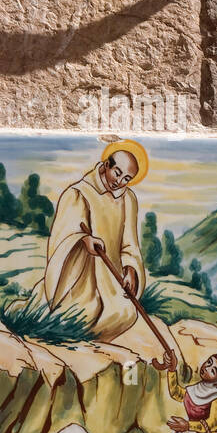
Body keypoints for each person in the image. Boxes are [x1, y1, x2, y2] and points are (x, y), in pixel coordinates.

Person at [41, 144, 147, 341]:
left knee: (126, 313)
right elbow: (62, 239)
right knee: (84, 313)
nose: (120, 182)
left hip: (111, 276)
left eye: (127, 179)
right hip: (81, 276)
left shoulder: (128, 199)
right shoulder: (78, 194)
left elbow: (130, 242)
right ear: (106, 165)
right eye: (117, 173)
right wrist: (83, 240)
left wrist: (131, 268)